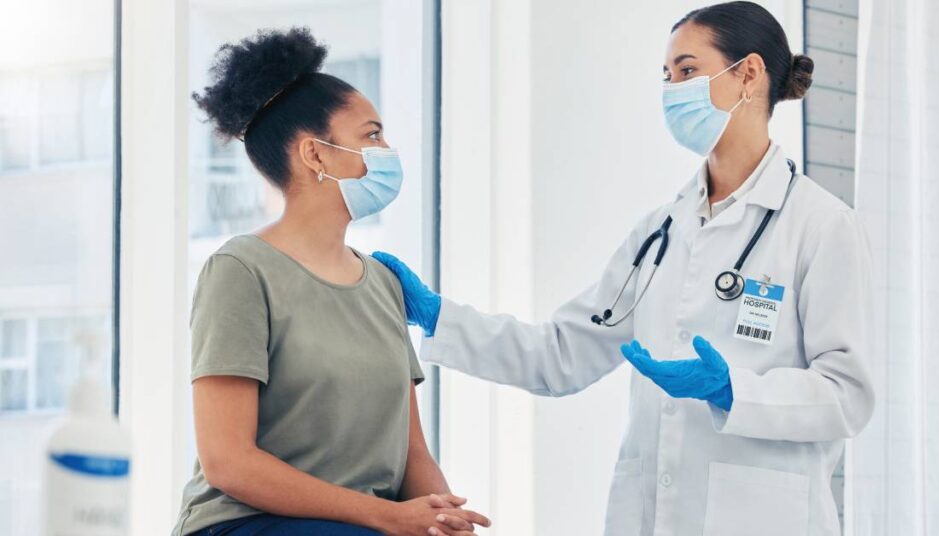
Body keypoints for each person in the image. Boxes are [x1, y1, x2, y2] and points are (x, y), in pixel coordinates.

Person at [372, 3, 874, 535]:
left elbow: (848, 396)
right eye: (666, 76)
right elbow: (562, 354)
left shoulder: (821, 225)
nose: (671, 89)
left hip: (764, 518)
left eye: (686, 71)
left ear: (748, 73)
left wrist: (733, 391)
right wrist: (439, 317)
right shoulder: (661, 232)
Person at [172, 28, 489, 536]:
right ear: (315, 155)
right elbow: (228, 462)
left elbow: (412, 455)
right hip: (250, 525)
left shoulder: (383, 282)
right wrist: (387, 517)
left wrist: (440, 518)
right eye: (372, 135)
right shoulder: (241, 271)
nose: (387, 149)